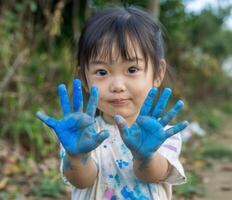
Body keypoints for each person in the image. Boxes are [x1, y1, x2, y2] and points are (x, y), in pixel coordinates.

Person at [36, 5, 189, 200]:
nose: (117, 85)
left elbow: (152, 174)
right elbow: (82, 181)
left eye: (132, 69)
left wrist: (145, 156)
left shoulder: (161, 134)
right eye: (101, 72)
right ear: (84, 78)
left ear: (158, 73)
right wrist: (76, 156)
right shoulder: (81, 135)